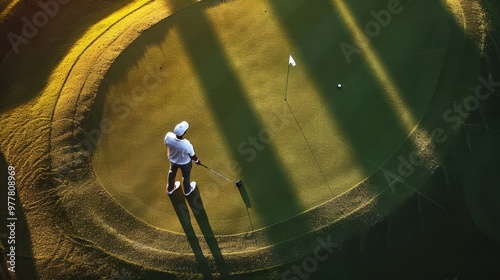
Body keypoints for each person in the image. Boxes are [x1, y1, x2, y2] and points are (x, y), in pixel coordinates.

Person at [164, 121, 201, 196]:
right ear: (184, 133)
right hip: (185, 163)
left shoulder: (168, 136)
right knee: (185, 177)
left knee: (172, 173)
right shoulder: (186, 144)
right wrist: (197, 161)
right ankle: (187, 191)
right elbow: (192, 156)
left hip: (172, 161)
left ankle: (170, 189)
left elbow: (166, 144)